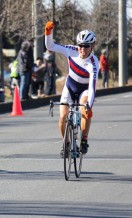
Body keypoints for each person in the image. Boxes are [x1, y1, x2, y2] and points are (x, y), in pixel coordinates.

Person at [45, 21, 99, 155]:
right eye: (80, 45)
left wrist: (89, 105)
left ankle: (84, 140)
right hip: (70, 86)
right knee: (63, 116)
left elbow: (92, 88)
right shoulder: (71, 50)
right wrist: (48, 33)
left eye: (86, 46)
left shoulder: (94, 63)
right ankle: (66, 143)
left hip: (85, 89)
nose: (82, 49)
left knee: (85, 112)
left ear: (92, 46)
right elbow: (50, 46)